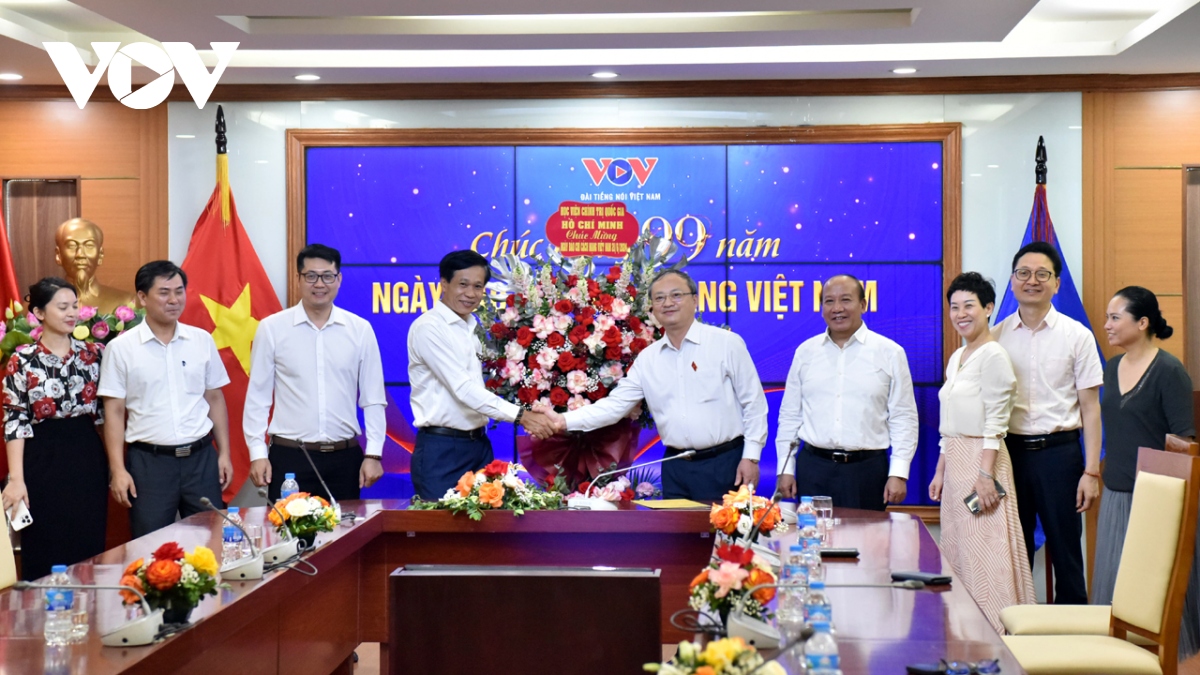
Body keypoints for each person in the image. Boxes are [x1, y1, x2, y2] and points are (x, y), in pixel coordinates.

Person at [540, 269, 768, 502]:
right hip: (675, 468)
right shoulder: (648, 359)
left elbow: (754, 404)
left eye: (676, 295)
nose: (667, 303)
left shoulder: (726, 343)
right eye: (659, 298)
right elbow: (614, 406)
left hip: (725, 464)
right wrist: (561, 421)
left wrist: (751, 457)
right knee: (676, 528)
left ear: (695, 300)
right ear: (653, 308)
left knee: (727, 527)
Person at [993, 241, 1102, 605]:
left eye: (1042, 274)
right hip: (1010, 455)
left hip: (1060, 456)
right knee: (1013, 550)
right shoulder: (995, 337)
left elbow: (1091, 409)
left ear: (1057, 283)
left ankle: (1073, 632)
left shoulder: (1077, 335)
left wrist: (1091, 472)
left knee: (1066, 550)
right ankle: (1017, 627)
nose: (1032, 281)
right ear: (1012, 281)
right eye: (1023, 273)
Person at [1091, 286, 1197, 656]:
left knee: (1154, 592)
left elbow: (1183, 442)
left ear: (1142, 322)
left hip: (1156, 501)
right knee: (1115, 585)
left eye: (1115, 317)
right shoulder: (1111, 367)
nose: (1107, 325)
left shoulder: (1169, 371)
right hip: (1116, 493)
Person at [929, 272, 1034, 633]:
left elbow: (996, 422)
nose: (960, 314)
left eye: (969, 306)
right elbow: (949, 423)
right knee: (960, 552)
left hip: (981, 463)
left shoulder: (994, 356)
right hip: (956, 464)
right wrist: (940, 470)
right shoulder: (958, 356)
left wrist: (985, 475)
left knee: (986, 553)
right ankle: (963, 634)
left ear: (988, 308)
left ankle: (994, 638)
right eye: (954, 307)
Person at [407, 250, 556, 499]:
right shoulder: (429, 328)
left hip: (479, 445)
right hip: (442, 450)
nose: (470, 293)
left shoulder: (471, 326)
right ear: (444, 283)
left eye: (478, 286)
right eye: (463, 284)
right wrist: (521, 416)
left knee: (487, 522)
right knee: (439, 523)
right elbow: (463, 389)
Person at [99, 261, 233, 538]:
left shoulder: (201, 340)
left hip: (201, 460)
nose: (174, 300)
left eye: (179, 291)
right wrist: (118, 469)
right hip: (150, 465)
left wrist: (225, 454)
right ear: (142, 297)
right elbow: (114, 412)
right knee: (150, 547)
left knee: (211, 540)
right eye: (164, 292)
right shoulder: (121, 348)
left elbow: (215, 398)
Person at [245, 244, 387, 502]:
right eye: (311, 276)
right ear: (298, 278)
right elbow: (258, 397)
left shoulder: (360, 329)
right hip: (290, 458)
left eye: (327, 276)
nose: (319, 284)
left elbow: (373, 398)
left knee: (346, 528)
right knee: (287, 529)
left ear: (339, 279)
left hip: (344, 459)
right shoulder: (272, 328)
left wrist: (374, 454)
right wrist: (257, 453)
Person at [775, 274, 919, 511]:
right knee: (813, 534)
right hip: (814, 469)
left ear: (863, 304)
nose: (837, 308)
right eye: (829, 301)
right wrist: (786, 468)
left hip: (866, 472)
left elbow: (903, 417)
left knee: (867, 536)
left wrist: (899, 473)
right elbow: (790, 415)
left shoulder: (890, 353)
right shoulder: (806, 352)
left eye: (845, 300)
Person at [1, 278, 107, 580]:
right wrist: (17, 479)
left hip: (86, 452)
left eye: (75, 306)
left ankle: (88, 607)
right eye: (62, 307)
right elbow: (15, 420)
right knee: (45, 543)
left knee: (88, 542)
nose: (72, 313)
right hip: (41, 456)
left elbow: (105, 415)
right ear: (39, 312)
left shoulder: (93, 355)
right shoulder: (22, 360)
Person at [54, 217, 138, 314]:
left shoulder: (127, 302)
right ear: (58, 255)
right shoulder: (42, 303)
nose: (80, 254)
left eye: (89, 245)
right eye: (71, 245)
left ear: (100, 255)